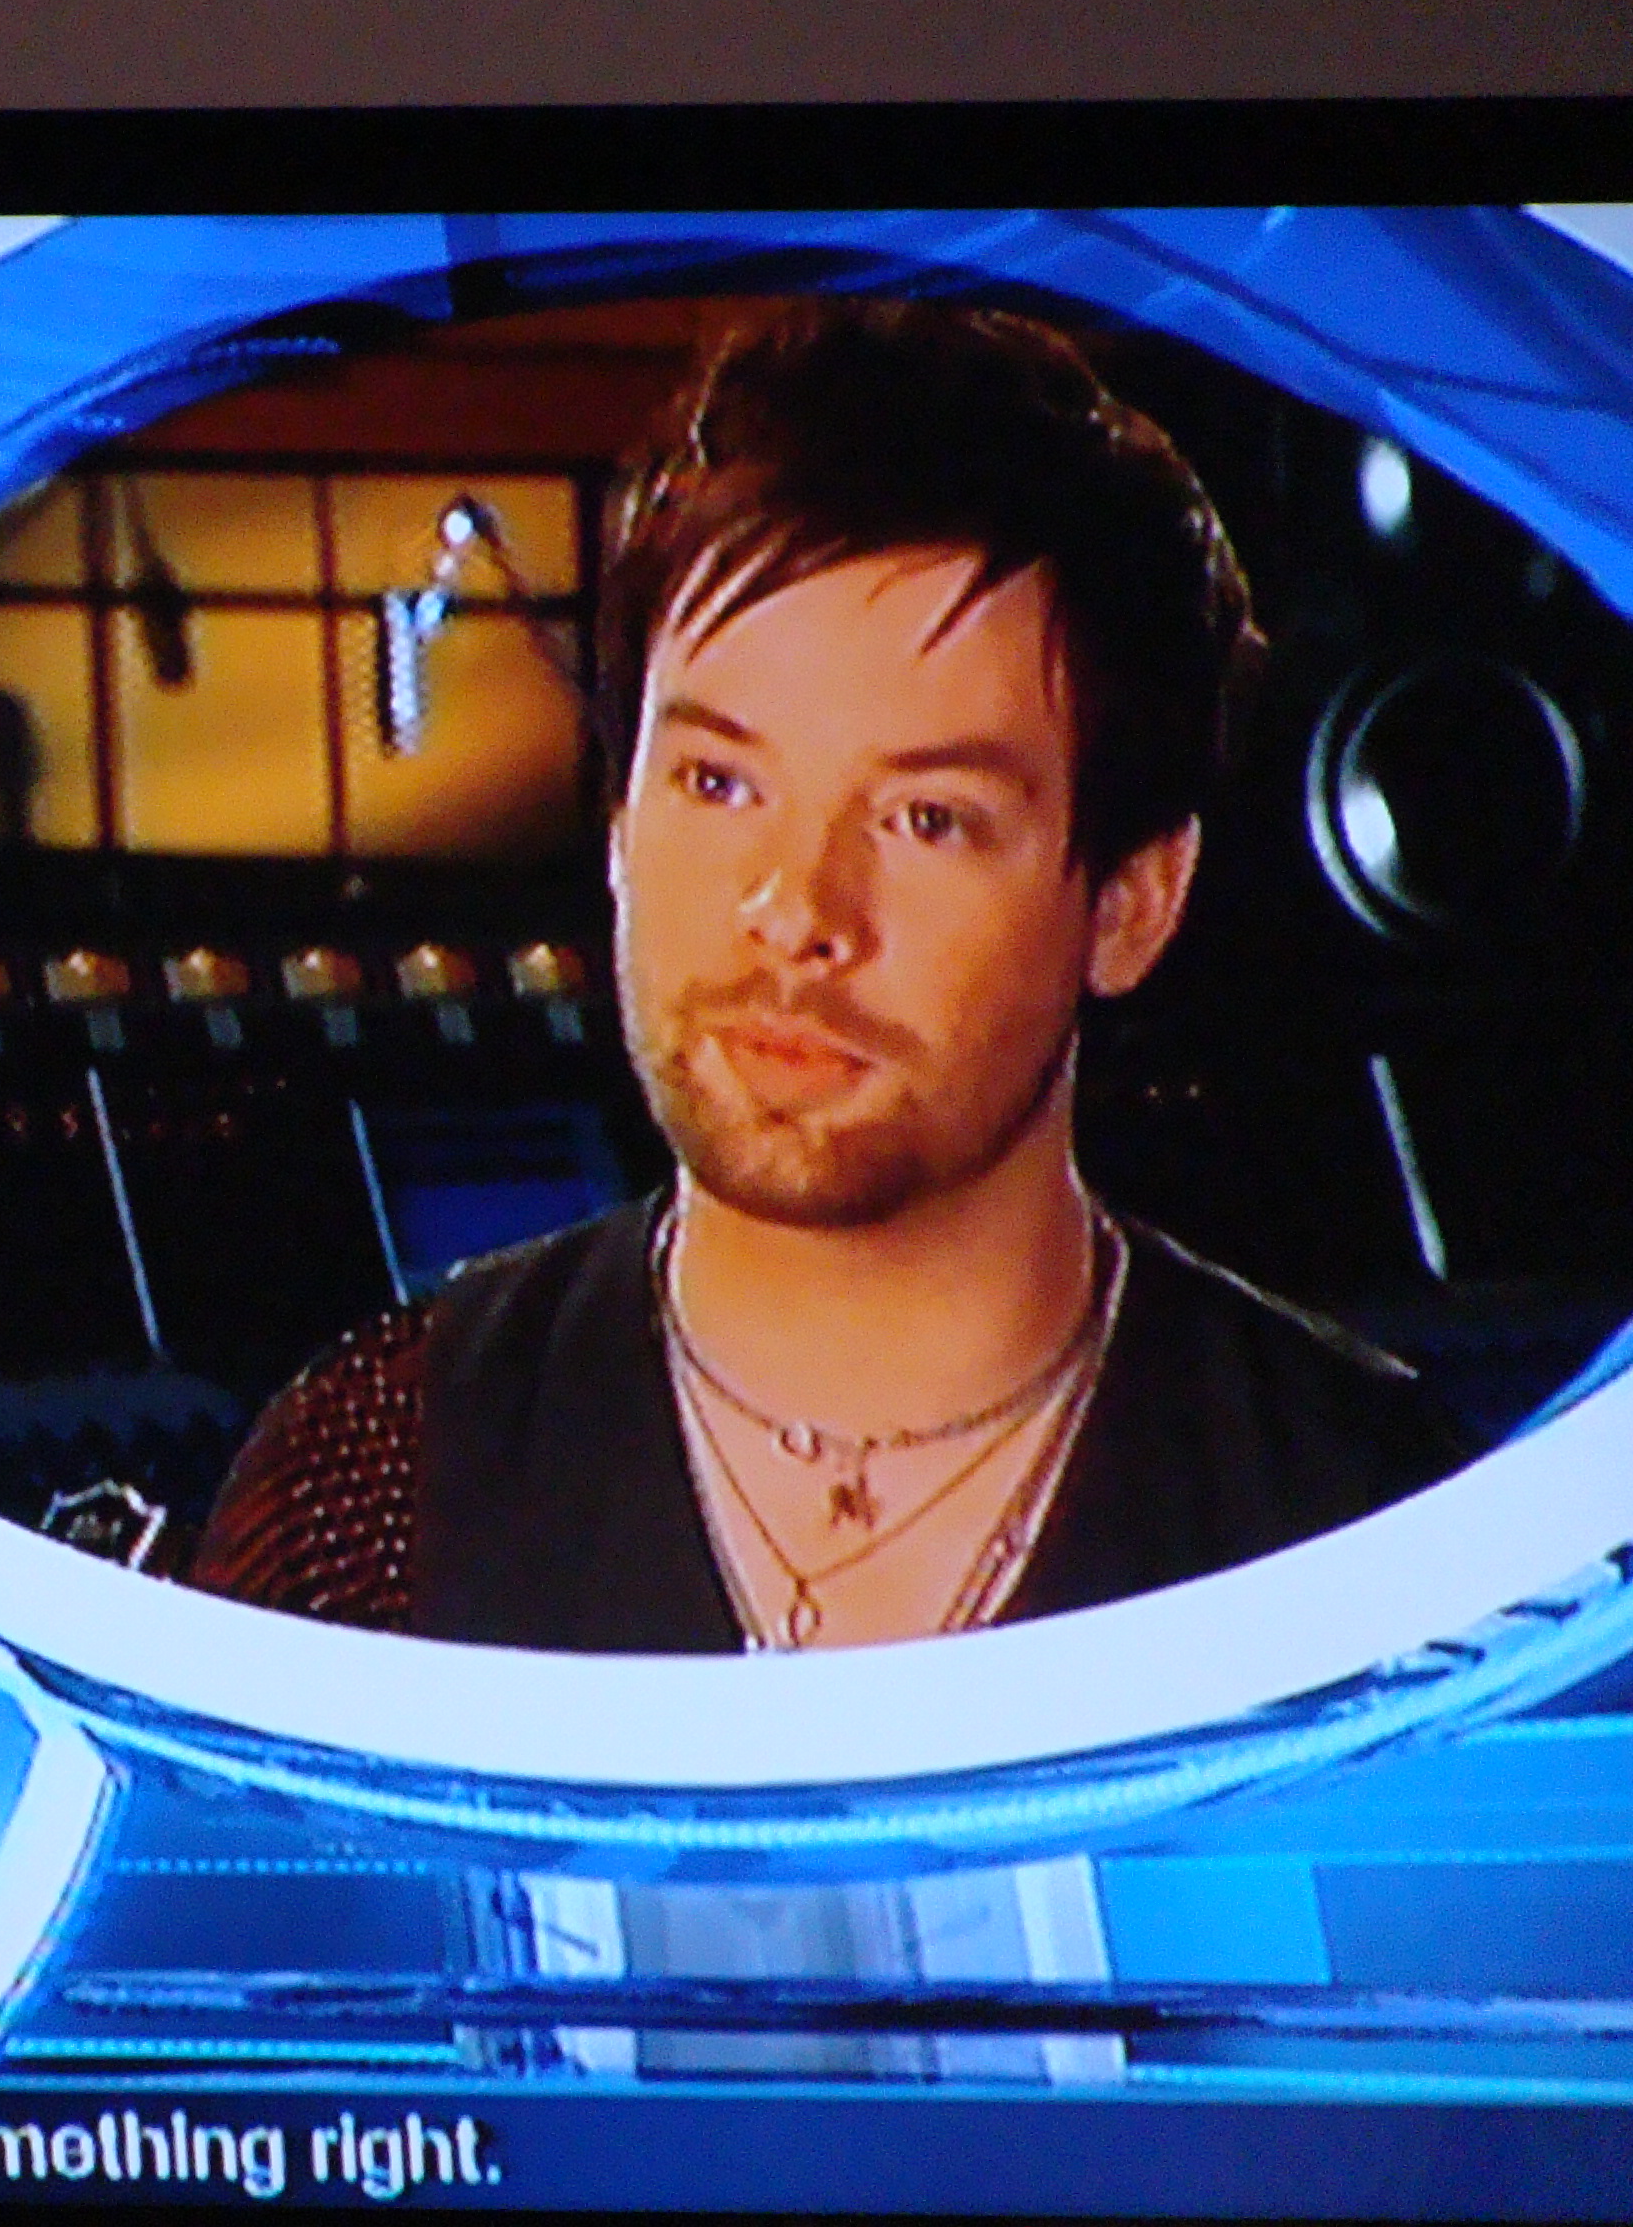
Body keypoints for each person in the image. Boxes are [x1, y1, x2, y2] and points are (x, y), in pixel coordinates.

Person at [192, 301, 1472, 1652]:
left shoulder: (1373, 1531)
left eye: (927, 819)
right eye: (718, 783)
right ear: (618, 824)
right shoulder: (371, 1487)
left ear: (1132, 903)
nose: (796, 911)